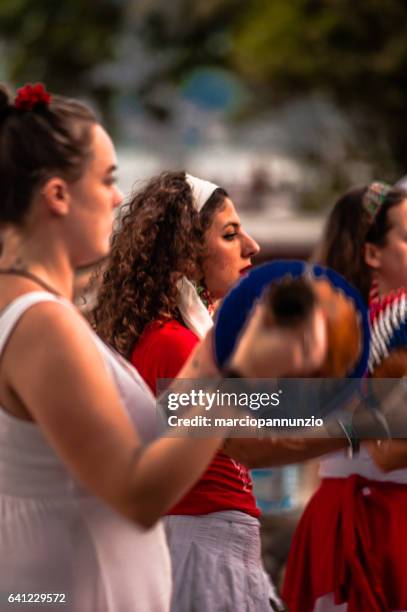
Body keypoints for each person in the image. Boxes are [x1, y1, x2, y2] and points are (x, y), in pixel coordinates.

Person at [0, 83, 329, 612]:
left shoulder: (50, 317)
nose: (115, 198)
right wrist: (372, 416)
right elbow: (151, 485)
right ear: (57, 195)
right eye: (107, 179)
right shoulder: (51, 325)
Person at [93, 172, 292, 611]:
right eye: (230, 234)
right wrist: (369, 417)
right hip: (201, 552)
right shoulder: (174, 343)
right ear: (186, 254)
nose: (252, 247)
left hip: (207, 547)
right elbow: (249, 440)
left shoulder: (172, 337)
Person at [281, 182, 407, 611]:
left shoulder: (320, 331)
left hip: (332, 511)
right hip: (386, 518)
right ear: (375, 251)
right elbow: (389, 451)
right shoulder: (386, 333)